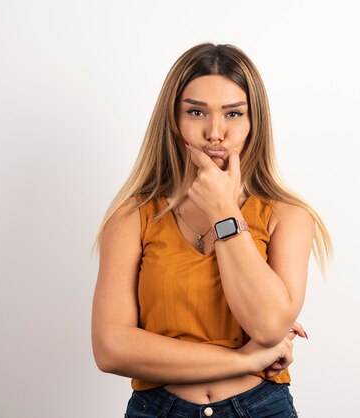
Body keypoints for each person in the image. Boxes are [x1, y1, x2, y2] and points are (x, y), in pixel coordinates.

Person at [91, 43, 332, 418]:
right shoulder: (132, 215)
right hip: (158, 410)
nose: (215, 132)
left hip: (260, 408)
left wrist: (223, 209)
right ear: (174, 119)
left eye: (233, 113)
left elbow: (268, 326)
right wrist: (247, 359)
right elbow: (111, 349)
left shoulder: (287, 215)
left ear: (255, 122)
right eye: (196, 111)